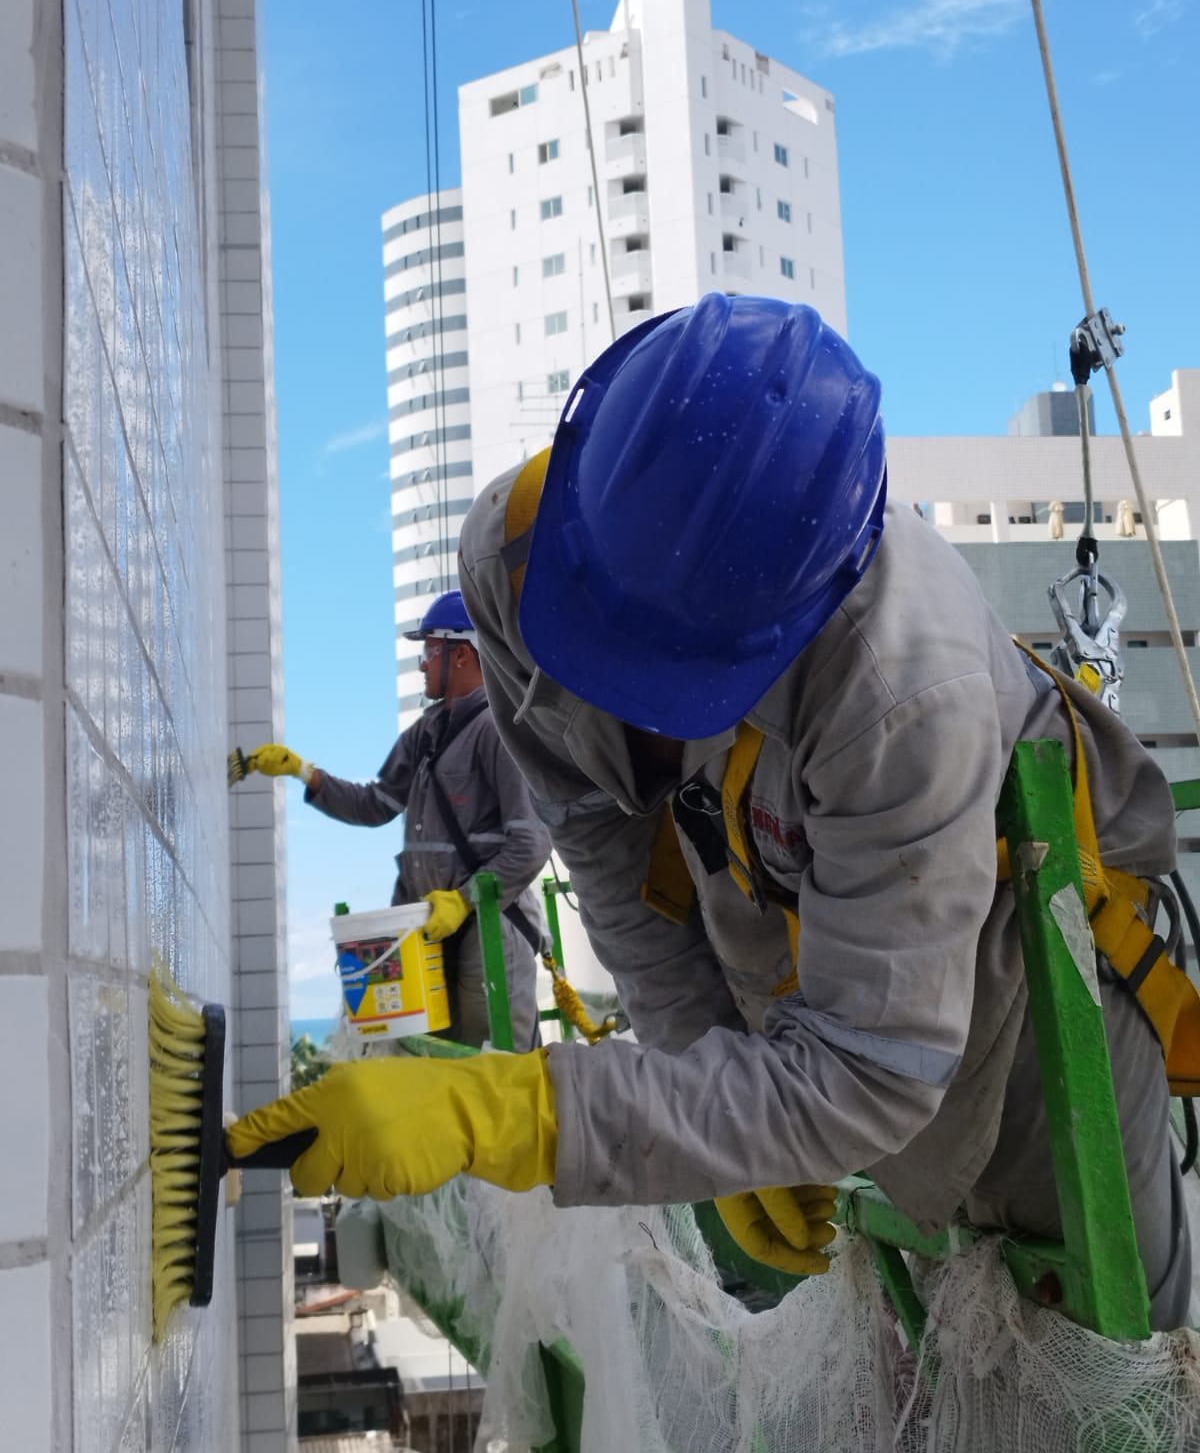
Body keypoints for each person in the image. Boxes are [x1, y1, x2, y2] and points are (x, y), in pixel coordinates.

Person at [230, 295, 1191, 1328]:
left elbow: (872, 1067)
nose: (632, 698)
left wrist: (524, 1113)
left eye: (668, 670)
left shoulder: (905, 691)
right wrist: (714, 1111)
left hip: (1035, 999)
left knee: (1107, 1353)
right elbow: (607, 858)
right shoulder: (510, 566)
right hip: (798, 962)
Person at [240, 589, 550, 1050]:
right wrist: (303, 772)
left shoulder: (498, 731)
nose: (423, 663)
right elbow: (375, 805)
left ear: (462, 654)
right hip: (430, 927)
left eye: (429, 651)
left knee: (494, 1070)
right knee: (438, 1064)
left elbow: (530, 844)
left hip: (488, 926)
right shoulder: (424, 734)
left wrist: (463, 901)